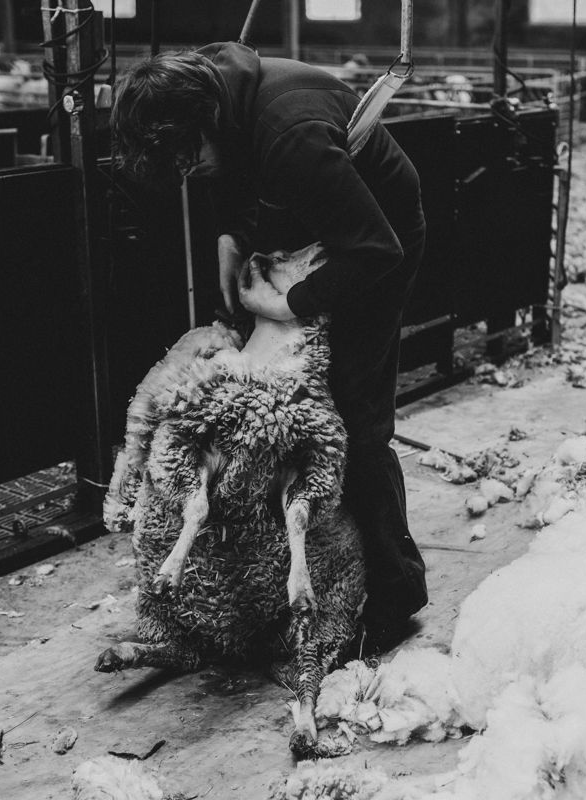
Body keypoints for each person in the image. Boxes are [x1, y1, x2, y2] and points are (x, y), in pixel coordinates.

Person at [110, 41, 428, 655]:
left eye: (188, 158)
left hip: (378, 241)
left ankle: (395, 593)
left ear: (203, 123)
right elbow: (226, 169)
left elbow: (376, 249)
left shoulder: (291, 135)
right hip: (314, 227)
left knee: (350, 417)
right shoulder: (217, 95)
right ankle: (306, 572)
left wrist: (286, 305)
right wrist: (231, 240)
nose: (189, 170)